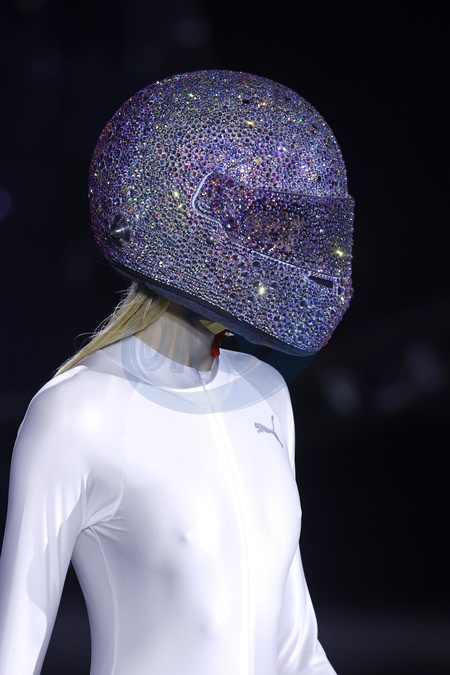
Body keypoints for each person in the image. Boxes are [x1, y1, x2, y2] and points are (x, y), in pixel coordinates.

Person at [0, 70, 354, 674]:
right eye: (262, 225)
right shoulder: (76, 413)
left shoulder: (264, 394)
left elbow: (295, 648)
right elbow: (14, 649)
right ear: (189, 221)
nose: (286, 251)